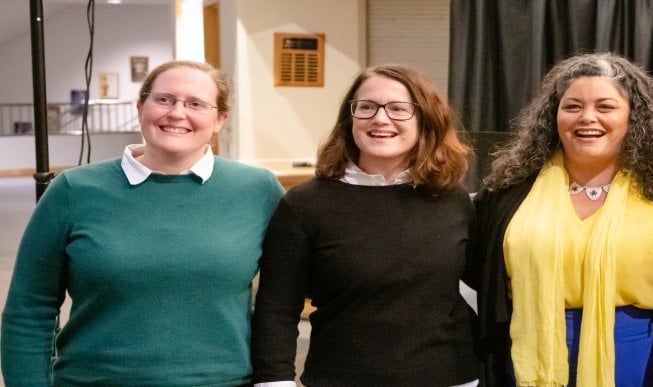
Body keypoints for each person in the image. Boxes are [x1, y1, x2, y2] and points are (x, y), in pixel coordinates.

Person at [0, 60, 285, 385]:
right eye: (164, 99)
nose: (177, 113)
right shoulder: (73, 190)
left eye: (196, 104)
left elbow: (284, 303)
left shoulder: (258, 190)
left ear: (220, 119)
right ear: (140, 107)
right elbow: (30, 309)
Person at [465, 52, 653, 386]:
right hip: (525, 358)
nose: (587, 118)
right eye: (573, 106)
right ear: (554, 115)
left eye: (605, 107)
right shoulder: (508, 191)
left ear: (633, 117)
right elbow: (480, 268)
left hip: (636, 359)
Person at [250, 64, 479, 386]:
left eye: (399, 109)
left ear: (425, 121)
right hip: (341, 377)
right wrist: (275, 381)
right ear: (349, 118)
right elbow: (277, 308)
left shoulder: (451, 198)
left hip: (452, 376)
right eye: (367, 107)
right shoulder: (305, 205)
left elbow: (486, 282)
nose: (380, 119)